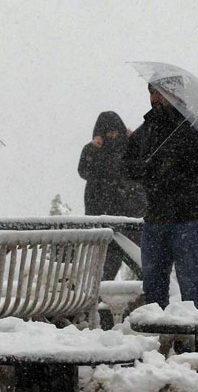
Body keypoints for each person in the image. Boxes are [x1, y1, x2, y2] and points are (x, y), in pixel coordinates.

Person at [123, 81, 198, 311]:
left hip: (190, 219)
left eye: (161, 92)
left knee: (191, 284)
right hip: (156, 217)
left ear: (176, 94)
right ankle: (159, 340)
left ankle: (194, 339)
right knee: (153, 285)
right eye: (152, 93)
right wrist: (148, 169)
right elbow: (126, 167)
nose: (155, 98)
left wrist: (179, 173)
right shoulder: (146, 130)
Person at [78, 111, 146, 280]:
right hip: (104, 212)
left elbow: (142, 168)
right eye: (109, 132)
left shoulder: (132, 146)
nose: (113, 135)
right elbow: (84, 171)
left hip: (130, 211)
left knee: (139, 256)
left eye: (116, 131)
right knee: (109, 258)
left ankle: (149, 295)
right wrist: (93, 150)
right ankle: (101, 294)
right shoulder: (93, 149)